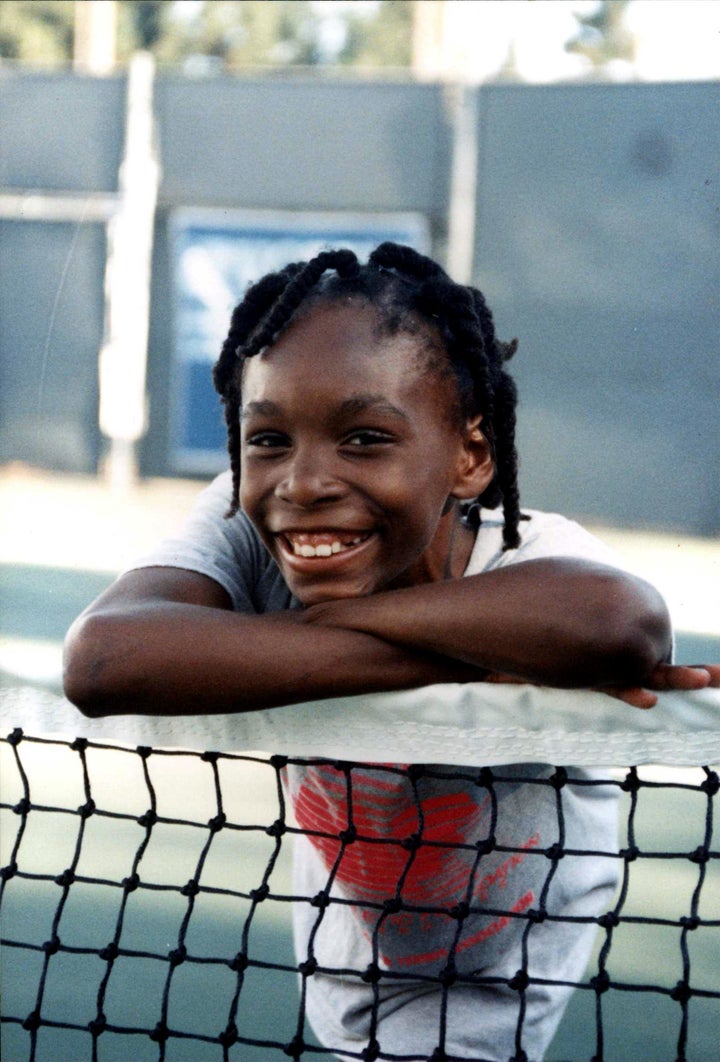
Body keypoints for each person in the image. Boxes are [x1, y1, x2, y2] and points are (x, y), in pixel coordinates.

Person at [64, 243, 718, 1061]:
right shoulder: (247, 510)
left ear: (471, 456)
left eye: (365, 438)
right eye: (267, 439)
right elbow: (103, 661)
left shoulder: (527, 557)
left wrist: (261, 647)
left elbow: (620, 627)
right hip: (347, 951)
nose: (303, 481)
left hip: (489, 979)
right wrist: (459, 656)